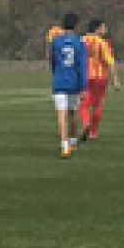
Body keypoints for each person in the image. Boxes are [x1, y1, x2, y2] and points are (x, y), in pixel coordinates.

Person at [49, 13, 88, 158]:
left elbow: (52, 61)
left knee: (61, 114)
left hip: (59, 80)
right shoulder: (79, 42)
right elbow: (81, 65)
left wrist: (55, 74)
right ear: (76, 25)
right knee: (73, 112)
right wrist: (83, 86)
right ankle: (72, 141)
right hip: (74, 81)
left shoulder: (56, 41)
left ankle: (64, 145)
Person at [81, 18, 121, 142]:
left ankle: (86, 123)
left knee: (83, 104)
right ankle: (93, 132)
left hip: (84, 76)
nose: (105, 29)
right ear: (97, 29)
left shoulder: (81, 40)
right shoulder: (102, 43)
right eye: (103, 27)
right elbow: (110, 62)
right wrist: (115, 79)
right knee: (97, 104)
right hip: (100, 78)